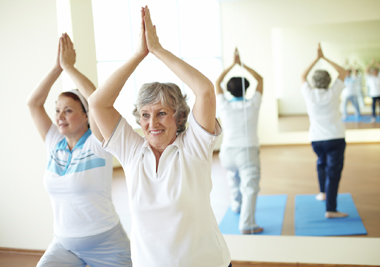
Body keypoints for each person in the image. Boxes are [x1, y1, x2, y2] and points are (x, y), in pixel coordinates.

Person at [89, 6, 231, 267]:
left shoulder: (194, 146)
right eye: (144, 115)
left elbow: (205, 91)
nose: (152, 123)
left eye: (162, 113)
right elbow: (97, 103)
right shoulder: (131, 150)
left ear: (178, 116)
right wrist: (137, 55)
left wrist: (158, 50)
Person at [27, 33, 132, 267]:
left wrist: (69, 67)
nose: (59, 117)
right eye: (57, 110)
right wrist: (57, 67)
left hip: (107, 245)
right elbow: (33, 103)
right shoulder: (54, 141)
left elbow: (96, 98)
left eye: (68, 111)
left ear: (86, 115)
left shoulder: (98, 141)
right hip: (64, 245)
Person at [215, 48, 263, 234]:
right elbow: (261, 80)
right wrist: (242, 65)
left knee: (233, 177)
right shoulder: (253, 103)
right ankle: (247, 223)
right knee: (250, 187)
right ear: (247, 89)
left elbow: (217, 82)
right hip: (247, 152)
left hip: (227, 152)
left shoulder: (224, 105)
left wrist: (232, 65)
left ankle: (236, 205)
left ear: (228, 90)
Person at [300, 43, 348, 219]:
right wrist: (324, 58)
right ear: (329, 81)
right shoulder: (333, 92)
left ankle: (322, 193)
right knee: (333, 173)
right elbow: (342, 72)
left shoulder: (309, 94)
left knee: (321, 163)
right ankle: (331, 209)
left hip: (316, 139)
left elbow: (302, 75)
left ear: (314, 82)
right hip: (335, 138)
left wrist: (316, 59)